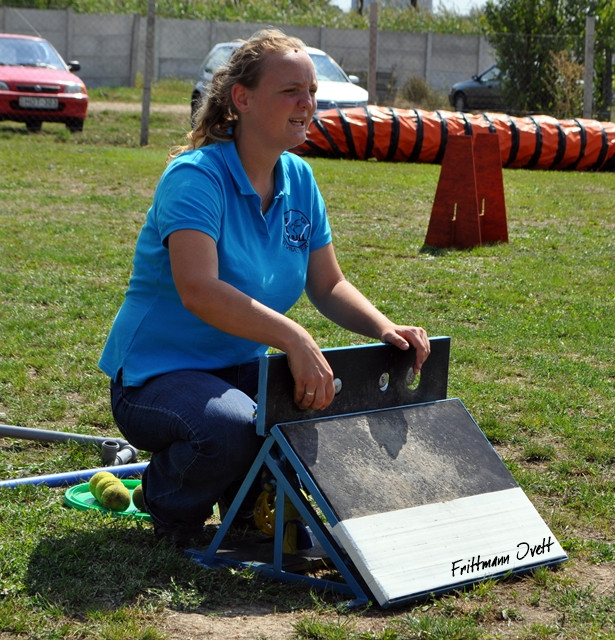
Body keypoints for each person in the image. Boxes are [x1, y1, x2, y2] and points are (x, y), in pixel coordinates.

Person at [99, 28, 430, 548]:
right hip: (155, 378)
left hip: (242, 375)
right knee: (232, 429)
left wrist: (385, 328)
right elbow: (198, 290)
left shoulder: (299, 179)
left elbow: (330, 283)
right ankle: (166, 498)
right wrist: (294, 338)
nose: (308, 104)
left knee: (311, 408)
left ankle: (241, 493)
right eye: (291, 91)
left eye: (312, 91)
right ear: (243, 98)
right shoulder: (194, 178)